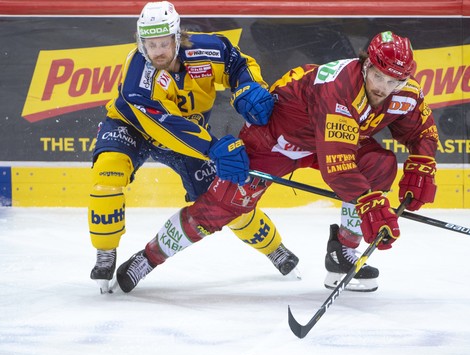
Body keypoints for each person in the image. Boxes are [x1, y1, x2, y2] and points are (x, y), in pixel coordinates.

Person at [116, 30, 439, 293]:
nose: (383, 88)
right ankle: (149, 257)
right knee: (221, 206)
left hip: (324, 143)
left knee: (379, 166)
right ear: (365, 63)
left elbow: (421, 129)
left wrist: (423, 161)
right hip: (274, 140)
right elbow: (337, 164)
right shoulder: (339, 89)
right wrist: (368, 202)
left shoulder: (405, 92)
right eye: (378, 76)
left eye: (393, 81)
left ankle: (342, 252)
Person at [88, 1, 299, 294]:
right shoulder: (138, 74)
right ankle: (105, 252)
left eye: (164, 42)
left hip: (188, 139)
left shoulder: (206, 51)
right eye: (151, 44)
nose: (158, 51)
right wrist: (212, 147)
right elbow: (164, 124)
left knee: (225, 199)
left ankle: (274, 248)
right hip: (133, 129)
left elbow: (237, 63)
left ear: (178, 37)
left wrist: (248, 86)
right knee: (107, 178)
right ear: (141, 42)